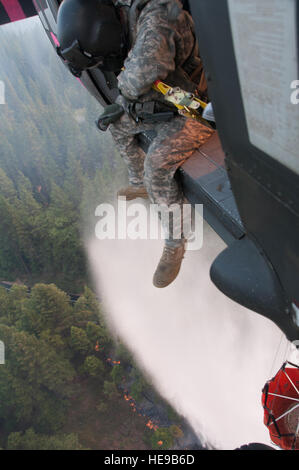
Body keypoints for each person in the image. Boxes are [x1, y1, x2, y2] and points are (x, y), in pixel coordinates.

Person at [56, 0, 214, 288]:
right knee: (118, 126)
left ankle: (176, 240)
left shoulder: (157, 18)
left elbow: (144, 71)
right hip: (168, 97)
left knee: (158, 164)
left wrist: (123, 101)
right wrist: (123, 106)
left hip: (198, 106)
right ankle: (140, 181)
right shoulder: (125, 16)